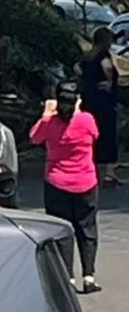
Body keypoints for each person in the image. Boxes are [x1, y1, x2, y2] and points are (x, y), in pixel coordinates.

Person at [30, 81, 101, 293]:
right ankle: (88, 276)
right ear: (77, 99)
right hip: (86, 183)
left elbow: (34, 138)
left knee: (62, 230)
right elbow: (95, 135)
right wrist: (76, 111)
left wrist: (46, 113)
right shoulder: (86, 120)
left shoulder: (50, 123)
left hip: (57, 183)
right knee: (87, 229)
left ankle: (66, 277)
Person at [76, 26, 121, 187]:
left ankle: (91, 170)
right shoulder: (103, 56)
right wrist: (110, 83)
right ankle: (109, 172)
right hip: (104, 102)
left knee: (90, 136)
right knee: (108, 135)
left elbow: (78, 73)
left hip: (89, 101)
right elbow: (108, 68)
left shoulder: (87, 57)